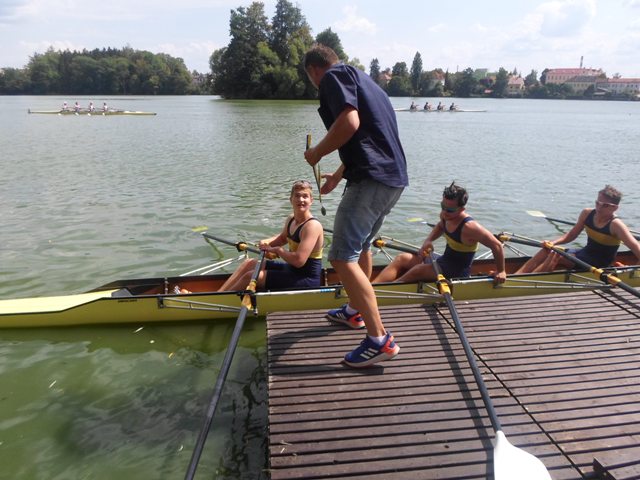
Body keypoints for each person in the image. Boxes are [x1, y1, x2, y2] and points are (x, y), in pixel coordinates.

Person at [303, 44, 408, 368]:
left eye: (310, 78)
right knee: (361, 247)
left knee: (340, 256)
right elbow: (370, 138)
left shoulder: (332, 77)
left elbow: (349, 123)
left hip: (370, 181)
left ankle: (379, 339)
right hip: (392, 179)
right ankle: (354, 311)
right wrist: (337, 176)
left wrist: (317, 153)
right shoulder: (367, 82)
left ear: (314, 70)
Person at [372, 182, 507, 284]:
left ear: (462, 209)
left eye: (450, 210)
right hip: (443, 261)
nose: (444, 212)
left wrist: (501, 271)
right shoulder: (446, 215)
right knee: (402, 258)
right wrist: (429, 240)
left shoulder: (470, 227)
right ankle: (372, 287)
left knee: (418, 270)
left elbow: (496, 245)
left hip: (456, 272)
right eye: (443, 206)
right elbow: (440, 226)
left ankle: (383, 293)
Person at [217, 180, 324, 292]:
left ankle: (222, 300)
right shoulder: (291, 219)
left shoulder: (312, 226)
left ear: (311, 200)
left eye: (305, 196)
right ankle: (218, 294)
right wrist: (266, 243)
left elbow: (298, 261)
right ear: (291, 199)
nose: (301, 200)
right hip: (291, 270)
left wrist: (278, 250)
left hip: (306, 279)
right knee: (249, 263)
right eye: (297, 196)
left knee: (250, 276)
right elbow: (282, 238)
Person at [516, 185, 640, 273]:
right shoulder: (587, 213)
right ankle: (517, 276)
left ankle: (530, 282)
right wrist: (553, 243)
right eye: (597, 203)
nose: (599, 207)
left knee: (558, 256)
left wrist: (634, 271)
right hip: (584, 253)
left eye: (605, 205)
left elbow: (636, 247)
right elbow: (571, 235)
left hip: (599, 264)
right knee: (547, 250)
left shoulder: (616, 225)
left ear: (615, 208)